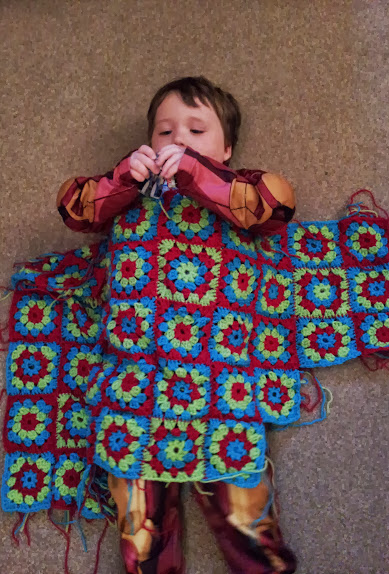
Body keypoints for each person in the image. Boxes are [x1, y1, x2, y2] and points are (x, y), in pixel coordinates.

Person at [57, 76, 297, 574]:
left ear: (226, 149)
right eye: (165, 132)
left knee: (247, 519)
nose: (178, 140)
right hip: (133, 376)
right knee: (139, 530)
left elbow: (277, 206)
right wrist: (122, 179)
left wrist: (197, 175)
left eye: (196, 130)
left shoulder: (240, 188)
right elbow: (72, 206)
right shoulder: (129, 192)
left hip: (219, 375)